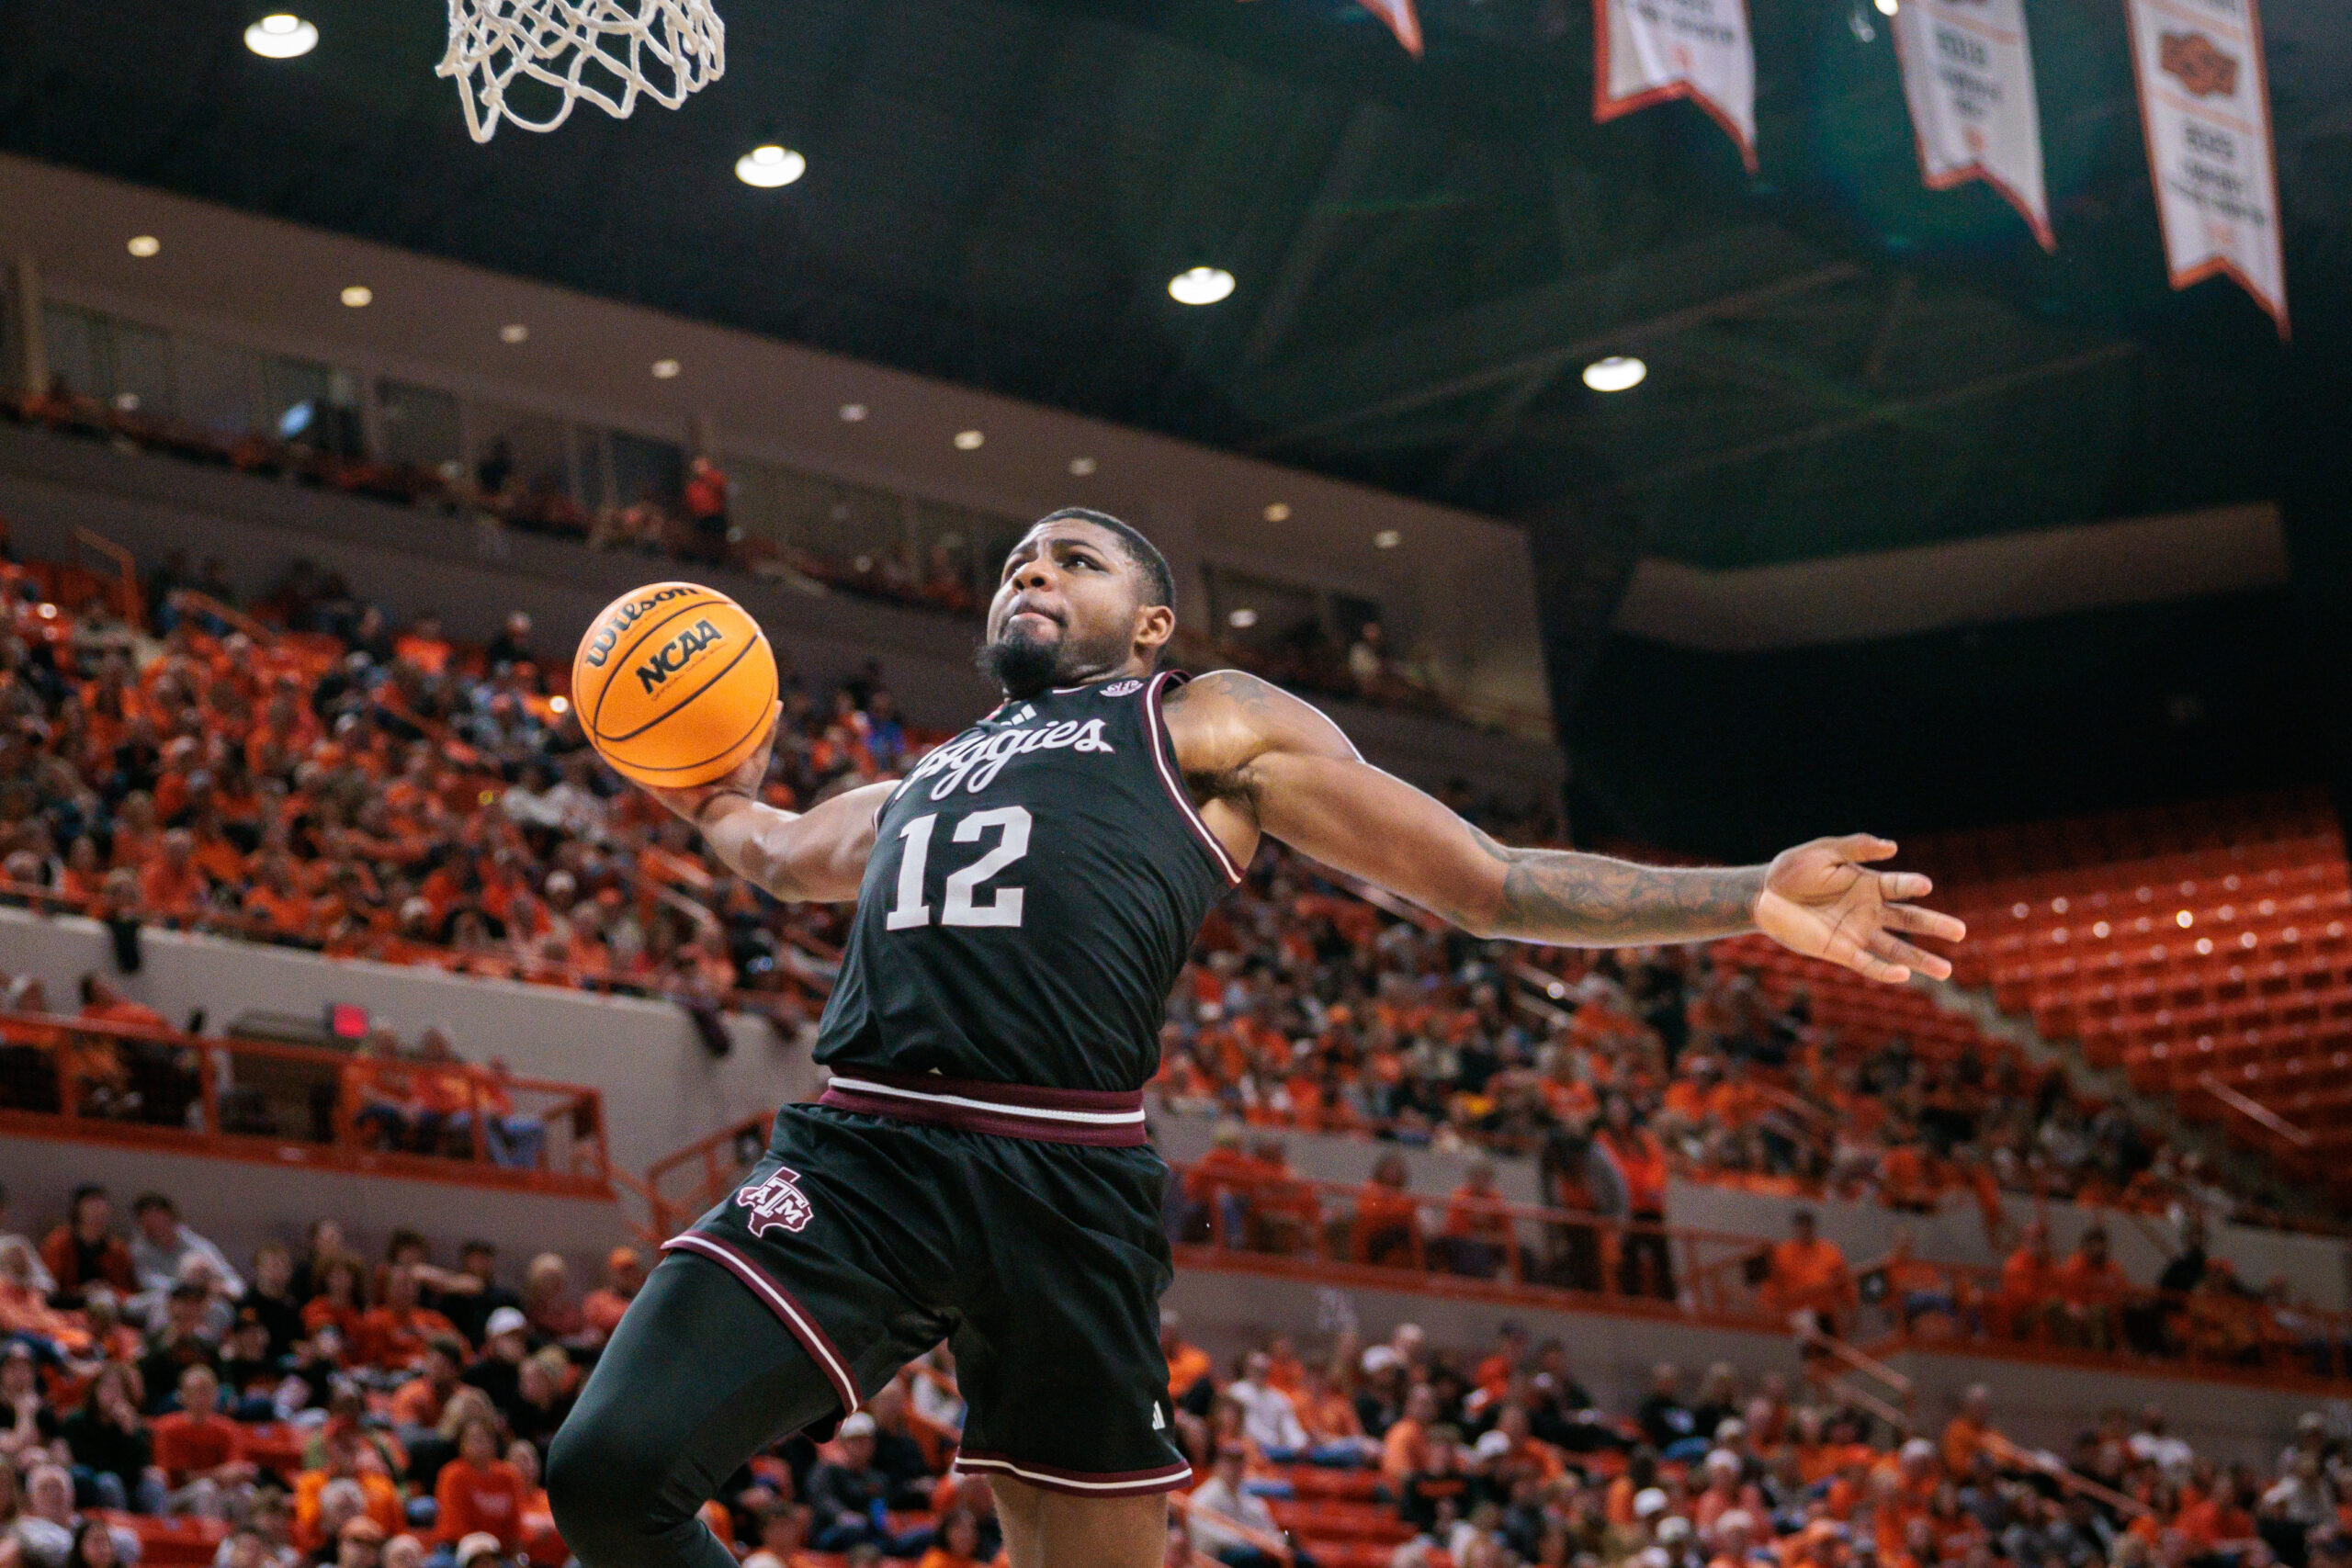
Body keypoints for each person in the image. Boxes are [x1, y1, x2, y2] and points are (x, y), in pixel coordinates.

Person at [546, 508, 1962, 1568]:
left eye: (1076, 560)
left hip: (1065, 1191)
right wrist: (706, 791)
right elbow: (787, 850)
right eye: (1020, 558)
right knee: (610, 1470)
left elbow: (1489, 880)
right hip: (863, 1162)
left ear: (1153, 627)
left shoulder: (1199, 721)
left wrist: (1747, 899)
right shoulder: (930, 776)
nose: (1030, 570)